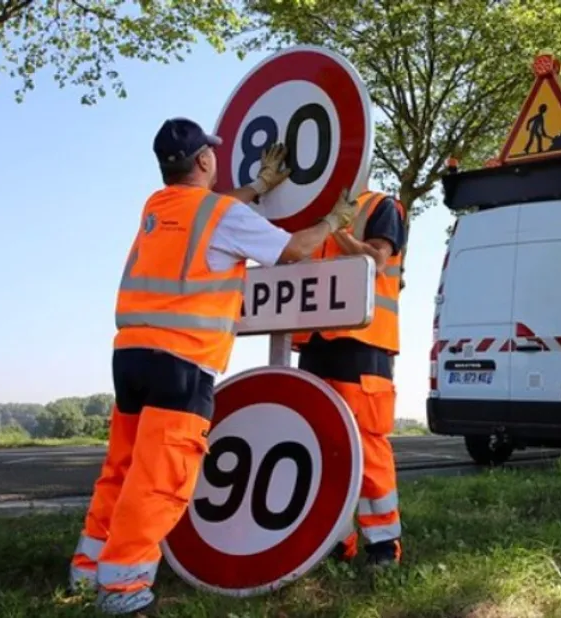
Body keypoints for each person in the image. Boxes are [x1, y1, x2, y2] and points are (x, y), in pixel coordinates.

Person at [68, 117, 358, 616]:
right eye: (211, 154)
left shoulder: (157, 209)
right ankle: (123, 591)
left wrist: (259, 187)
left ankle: (86, 568)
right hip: (181, 364)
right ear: (204, 160)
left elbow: (214, 215)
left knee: (120, 468)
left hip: (130, 355)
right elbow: (291, 250)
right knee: (159, 479)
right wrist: (334, 221)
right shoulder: (219, 213)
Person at [291, 186, 407, 568]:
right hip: (314, 342)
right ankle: (336, 541)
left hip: (363, 343)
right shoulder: (308, 207)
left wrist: (335, 227)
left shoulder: (381, 206)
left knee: (367, 447)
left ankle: (383, 545)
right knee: (318, 447)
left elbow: (378, 259)